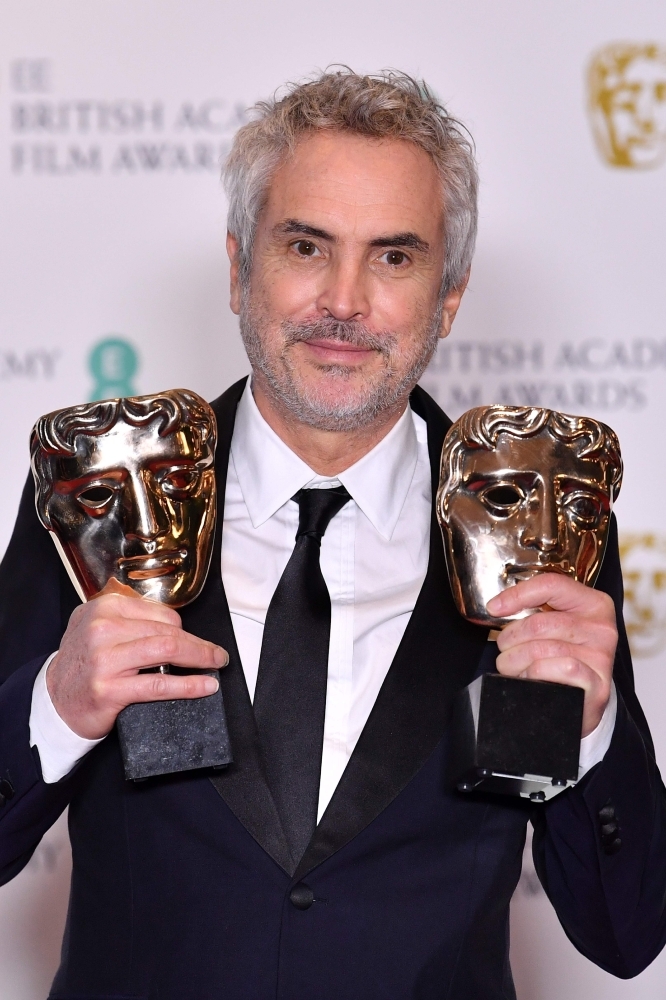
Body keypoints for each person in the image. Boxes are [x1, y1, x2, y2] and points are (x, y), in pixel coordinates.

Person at [0, 69, 664, 1000]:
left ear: (449, 295)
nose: (344, 301)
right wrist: (55, 711)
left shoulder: (534, 529)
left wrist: (592, 741)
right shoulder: (102, 499)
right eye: (306, 246)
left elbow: (627, 932)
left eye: (394, 257)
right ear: (238, 268)